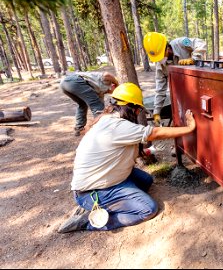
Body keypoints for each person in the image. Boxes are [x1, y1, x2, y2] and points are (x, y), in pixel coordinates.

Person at [57, 82, 196, 233]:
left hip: (100, 181)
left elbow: (119, 155)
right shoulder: (118, 126)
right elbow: (154, 133)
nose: (138, 114)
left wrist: (150, 151)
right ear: (131, 108)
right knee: (147, 209)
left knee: (146, 180)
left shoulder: (108, 120)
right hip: (93, 191)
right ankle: (87, 221)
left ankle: (110, 202)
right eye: (137, 110)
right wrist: (189, 128)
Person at [143, 32, 206, 126]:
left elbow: (201, 43)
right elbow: (160, 90)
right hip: (181, 94)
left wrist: (194, 58)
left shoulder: (180, 43)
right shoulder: (160, 65)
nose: (160, 60)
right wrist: (156, 112)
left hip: (198, 87)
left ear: (167, 47)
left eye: (161, 55)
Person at [60, 71, 119, 136]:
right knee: (96, 104)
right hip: (75, 80)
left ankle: (79, 128)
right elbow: (107, 74)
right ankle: (103, 129)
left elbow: (100, 106)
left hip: (64, 84)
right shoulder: (109, 81)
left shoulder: (101, 91)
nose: (111, 93)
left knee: (82, 104)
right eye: (116, 90)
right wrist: (117, 83)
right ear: (113, 86)